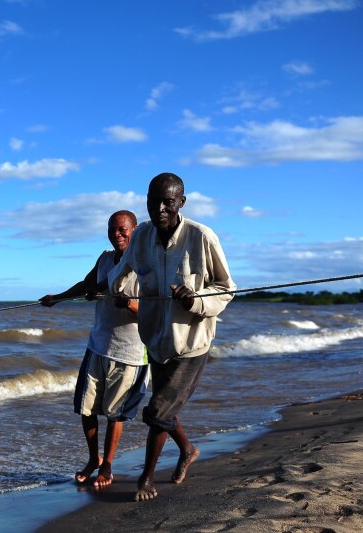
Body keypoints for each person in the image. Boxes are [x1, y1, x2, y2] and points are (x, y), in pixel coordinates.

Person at [108, 172, 236, 502]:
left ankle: (146, 479)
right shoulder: (142, 237)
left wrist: (195, 299)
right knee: (165, 405)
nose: (161, 208)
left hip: (192, 343)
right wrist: (119, 291)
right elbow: (121, 275)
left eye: (168, 201)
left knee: (156, 412)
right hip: (156, 339)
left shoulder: (202, 236)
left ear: (181, 202)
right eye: (154, 201)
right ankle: (189, 449)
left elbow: (226, 288)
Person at [39, 210, 149, 488]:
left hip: (131, 352)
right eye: (112, 229)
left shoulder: (146, 264)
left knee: (115, 413)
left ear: (135, 230)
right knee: (86, 408)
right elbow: (88, 285)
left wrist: (130, 304)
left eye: (123, 229)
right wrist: (59, 298)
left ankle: (108, 467)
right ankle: (94, 460)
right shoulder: (104, 258)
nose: (117, 234)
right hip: (98, 345)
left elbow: (156, 312)